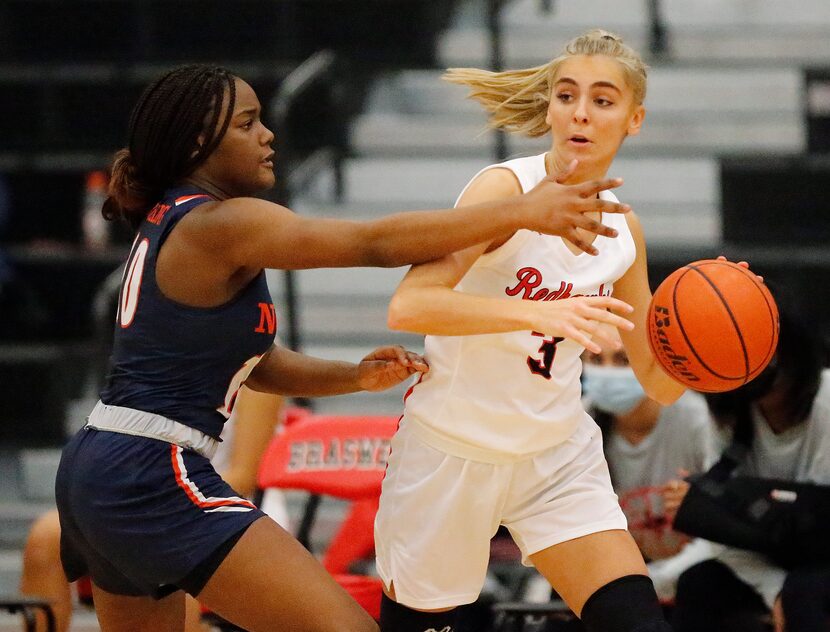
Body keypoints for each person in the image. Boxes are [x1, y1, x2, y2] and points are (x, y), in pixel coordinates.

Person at [53, 63, 630, 632]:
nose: (268, 135)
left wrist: (353, 376)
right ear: (201, 142)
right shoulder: (220, 223)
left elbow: (258, 367)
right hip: (151, 469)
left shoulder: (181, 223)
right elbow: (372, 242)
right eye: (248, 124)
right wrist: (521, 210)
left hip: (99, 465)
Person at [376, 29, 688, 632]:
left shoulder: (625, 231)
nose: (580, 112)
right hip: (451, 451)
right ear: (549, 107)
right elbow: (410, 306)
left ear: (634, 118)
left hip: (555, 457)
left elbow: (662, 383)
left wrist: (721, 349)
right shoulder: (504, 189)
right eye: (567, 95)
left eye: (602, 100)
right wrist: (535, 312)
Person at [20, 386, 285, 632]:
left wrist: (162, 505)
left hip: (228, 504)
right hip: (151, 499)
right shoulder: (151, 356)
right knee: (46, 536)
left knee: (161, 553)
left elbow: (244, 476)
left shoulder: (251, 361)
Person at [671, 292, 830, 632]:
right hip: (771, 563)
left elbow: (818, 523)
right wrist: (774, 590)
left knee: (807, 592)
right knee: (699, 583)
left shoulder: (826, 401)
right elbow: (722, 532)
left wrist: (725, 499)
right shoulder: (728, 413)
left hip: (821, 564)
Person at [581, 335, 716, 603]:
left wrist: (657, 581)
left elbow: (723, 530)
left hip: (694, 571)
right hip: (621, 573)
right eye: (596, 360)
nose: (608, 373)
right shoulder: (580, 423)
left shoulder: (696, 419)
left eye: (623, 360)